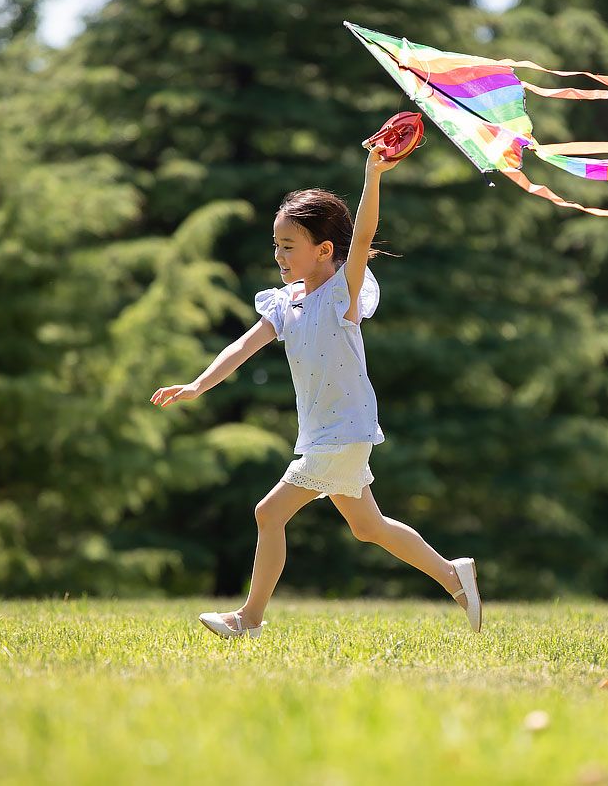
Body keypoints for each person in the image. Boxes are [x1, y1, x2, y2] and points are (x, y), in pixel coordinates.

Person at [150, 144, 482, 638]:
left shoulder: (342, 294)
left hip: (345, 430)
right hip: (325, 431)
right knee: (369, 528)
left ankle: (249, 619)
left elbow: (363, 232)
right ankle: (454, 575)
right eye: (276, 245)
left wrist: (373, 173)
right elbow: (243, 346)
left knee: (269, 511)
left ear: (324, 249)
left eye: (289, 245)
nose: (278, 255)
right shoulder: (286, 303)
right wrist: (198, 385)